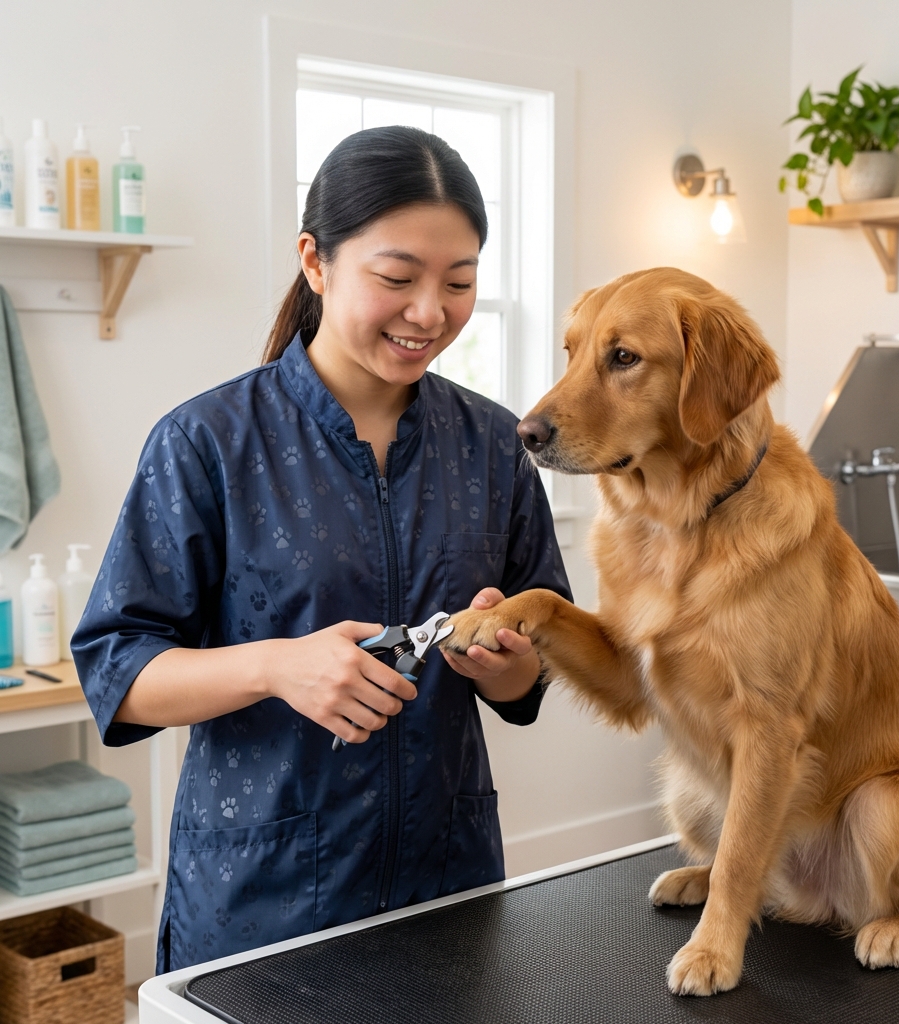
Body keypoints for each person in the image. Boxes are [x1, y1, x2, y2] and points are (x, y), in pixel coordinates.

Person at [72, 126, 571, 973]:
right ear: (315, 260)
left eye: (459, 282)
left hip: (447, 891)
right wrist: (275, 668)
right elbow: (117, 672)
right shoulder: (207, 442)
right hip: (260, 902)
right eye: (396, 278)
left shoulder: (493, 444)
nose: (430, 313)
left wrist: (506, 661)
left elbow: (536, 671)